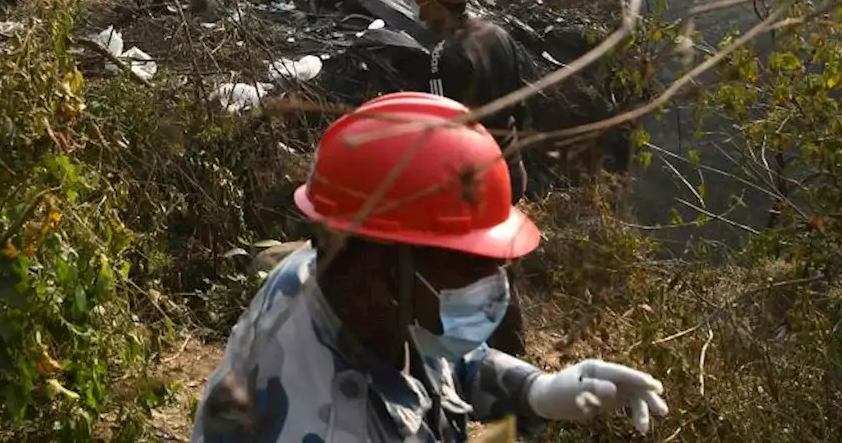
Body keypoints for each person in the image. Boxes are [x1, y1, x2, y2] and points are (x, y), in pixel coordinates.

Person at [191, 92, 669, 443]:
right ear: (382, 264)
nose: (492, 286)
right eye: (468, 266)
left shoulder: (342, 283)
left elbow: (442, 365)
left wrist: (537, 392)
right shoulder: (331, 426)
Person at [395, 0, 540, 358]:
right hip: (510, 168)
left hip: (475, 179)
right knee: (493, 264)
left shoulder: (446, 55)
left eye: (419, 2)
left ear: (437, 5)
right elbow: (520, 102)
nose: (416, 10)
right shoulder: (496, 34)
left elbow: (447, 129)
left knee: (452, 265)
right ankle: (511, 356)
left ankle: (463, 359)